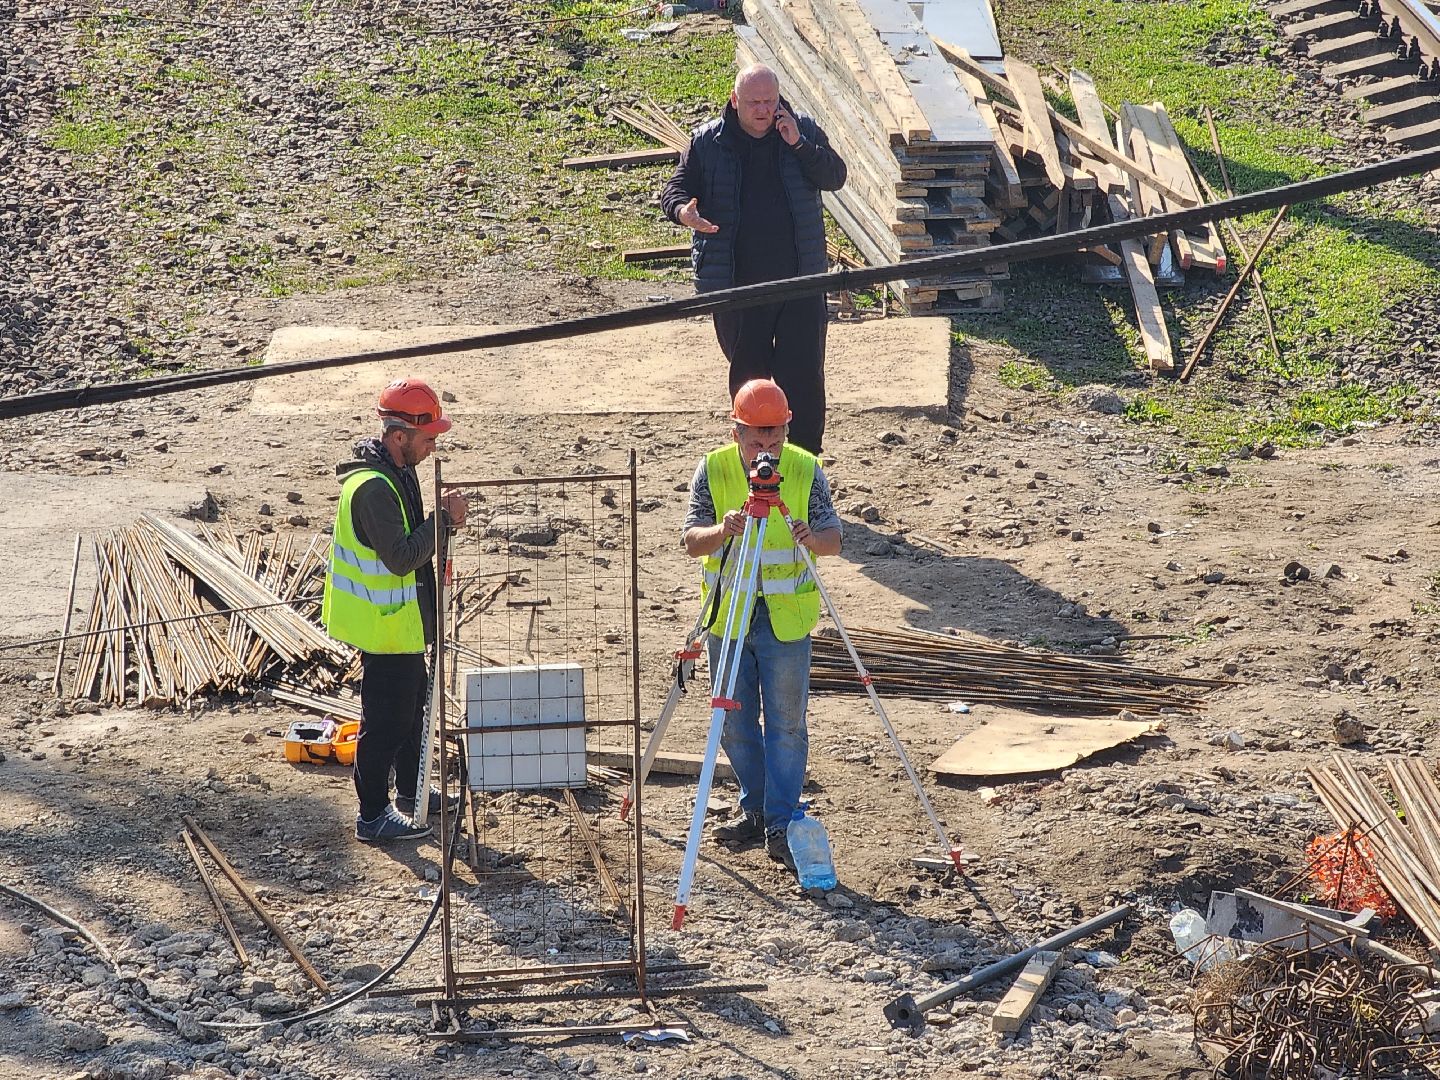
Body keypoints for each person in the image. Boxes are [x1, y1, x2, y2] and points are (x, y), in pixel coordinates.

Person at [681, 379, 842, 871]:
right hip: (729, 617)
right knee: (733, 721)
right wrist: (722, 529)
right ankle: (755, 809)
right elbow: (691, 540)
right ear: (736, 433)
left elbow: (835, 539)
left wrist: (812, 539)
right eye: (755, 441)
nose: (765, 453)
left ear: (788, 429)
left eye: (774, 441)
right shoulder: (712, 469)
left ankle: (781, 822)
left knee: (787, 725)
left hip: (785, 621)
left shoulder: (805, 469)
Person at [661, 63, 847, 455]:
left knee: (803, 382)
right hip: (737, 288)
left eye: (769, 101)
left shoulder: (803, 130)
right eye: (754, 102)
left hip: (801, 282)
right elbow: (675, 189)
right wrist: (684, 212)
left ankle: (804, 470)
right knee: (751, 383)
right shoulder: (708, 142)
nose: (763, 110)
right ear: (735, 101)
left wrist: (799, 144)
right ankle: (754, 468)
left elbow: (835, 176)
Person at [322, 379, 469, 843]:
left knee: (412, 712)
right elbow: (403, 556)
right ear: (399, 435)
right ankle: (372, 815)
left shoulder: (399, 472)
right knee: (387, 722)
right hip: (383, 627)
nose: (433, 447)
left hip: (402, 623)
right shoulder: (372, 489)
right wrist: (442, 522)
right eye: (429, 438)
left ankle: (412, 790)